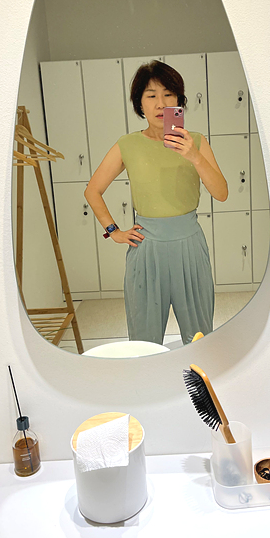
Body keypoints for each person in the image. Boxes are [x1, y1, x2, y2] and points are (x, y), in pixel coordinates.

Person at [84, 60, 228, 345]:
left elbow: (221, 193)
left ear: (179, 100)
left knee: (199, 338)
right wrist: (114, 231)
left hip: (190, 247)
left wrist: (194, 157)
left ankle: (197, 375)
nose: (160, 103)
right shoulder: (127, 144)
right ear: (140, 103)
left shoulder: (196, 141)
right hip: (146, 248)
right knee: (144, 341)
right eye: (151, 95)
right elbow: (93, 190)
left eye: (168, 94)